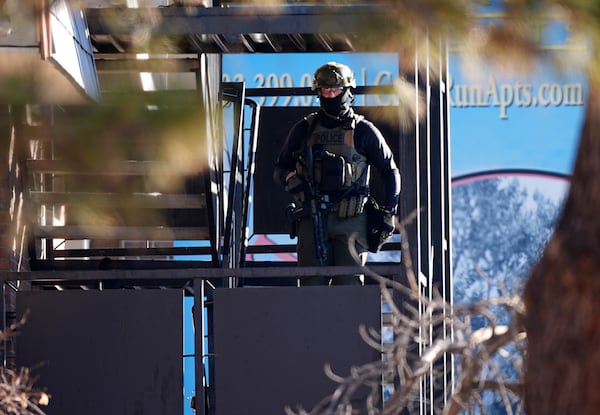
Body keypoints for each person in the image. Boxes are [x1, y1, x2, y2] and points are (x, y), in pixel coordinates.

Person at [273, 61, 401, 286]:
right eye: (326, 90)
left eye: (336, 90)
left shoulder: (363, 131)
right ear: (318, 92)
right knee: (311, 291)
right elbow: (280, 168)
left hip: (351, 222)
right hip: (312, 219)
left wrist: (389, 213)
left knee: (350, 290)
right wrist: (293, 181)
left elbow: (390, 172)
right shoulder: (304, 129)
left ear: (347, 91)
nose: (331, 95)